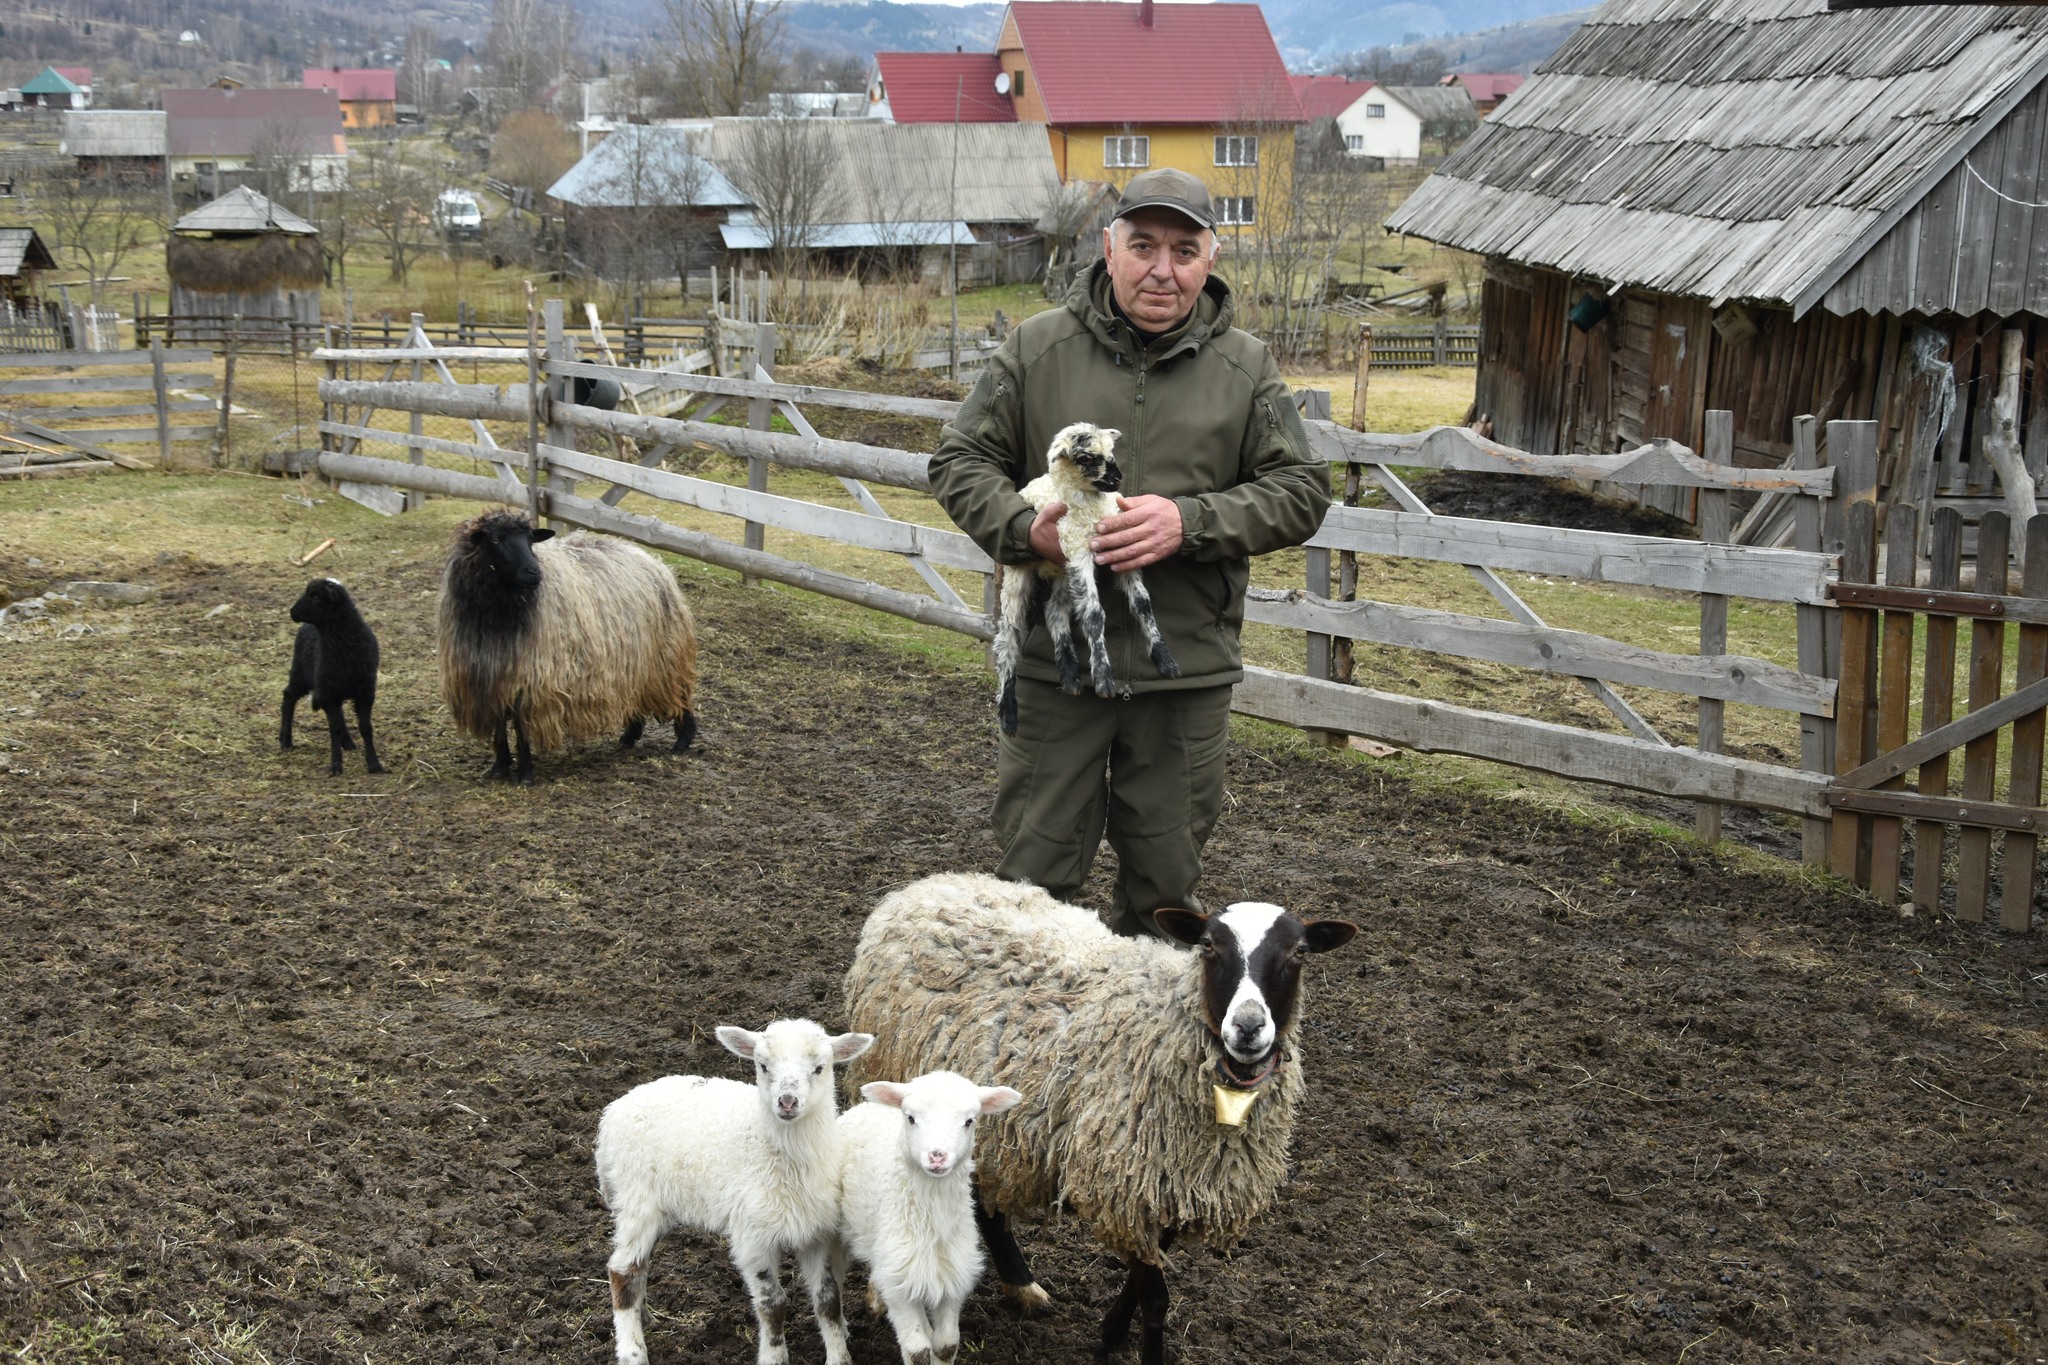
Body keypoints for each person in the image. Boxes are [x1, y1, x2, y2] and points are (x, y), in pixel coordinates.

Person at [929, 167, 1331, 939]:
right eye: (1143, 245)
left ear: (1211, 257)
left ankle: (1142, 1052)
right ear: (1108, 249)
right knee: (1030, 888)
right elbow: (958, 461)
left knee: (1166, 894)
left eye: (1184, 250)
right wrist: (1025, 531)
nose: (1162, 269)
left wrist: (1192, 520)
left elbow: (1301, 489)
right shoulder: (1037, 350)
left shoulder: (1245, 370)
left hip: (1183, 673)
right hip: (1057, 668)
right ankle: (1025, 1054)